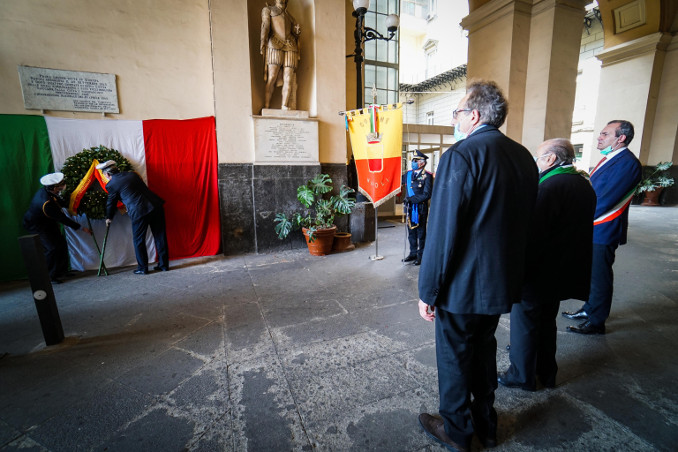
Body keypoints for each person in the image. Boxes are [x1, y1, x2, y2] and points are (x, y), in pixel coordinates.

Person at [417, 80, 538, 452]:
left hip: (462, 285)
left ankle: (456, 430)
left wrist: (428, 290)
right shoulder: (523, 156)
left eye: (457, 112)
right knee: (484, 350)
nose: (455, 119)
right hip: (501, 282)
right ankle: (487, 424)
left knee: (454, 355)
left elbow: (443, 231)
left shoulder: (461, 155)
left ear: (474, 115)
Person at [498, 139, 596, 391]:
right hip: (560, 268)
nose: (536, 161)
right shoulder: (581, 183)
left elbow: (533, 234)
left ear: (551, 159)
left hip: (538, 270)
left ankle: (521, 376)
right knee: (545, 324)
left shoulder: (550, 186)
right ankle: (546, 373)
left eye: (538, 156)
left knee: (525, 324)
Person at [562, 120, 642, 334]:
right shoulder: (611, 159)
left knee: (600, 276)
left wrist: (578, 217)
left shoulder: (627, 163)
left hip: (603, 228)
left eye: (605, 134)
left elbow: (606, 200)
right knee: (591, 273)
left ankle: (597, 321)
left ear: (621, 138)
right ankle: (589, 308)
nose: (599, 137)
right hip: (594, 227)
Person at [97, 160, 169, 274]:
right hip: (156, 205)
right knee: (160, 236)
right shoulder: (132, 175)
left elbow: (111, 203)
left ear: (107, 174)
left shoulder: (111, 185)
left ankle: (142, 268)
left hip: (139, 211)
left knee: (138, 240)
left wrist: (109, 217)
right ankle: (164, 265)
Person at [23, 172, 91, 283]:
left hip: (47, 222)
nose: (62, 186)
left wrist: (74, 206)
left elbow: (60, 202)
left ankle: (62, 271)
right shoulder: (46, 202)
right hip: (37, 225)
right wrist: (81, 228)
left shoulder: (49, 192)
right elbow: (62, 218)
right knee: (52, 248)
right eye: (60, 185)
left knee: (61, 244)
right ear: (54, 187)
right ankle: (50, 276)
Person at [261, 0, 301, 110]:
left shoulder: (290, 16)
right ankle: (267, 106)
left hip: (290, 45)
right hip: (274, 43)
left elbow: (295, 32)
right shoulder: (268, 10)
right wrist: (263, 41)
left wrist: (297, 32)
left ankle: (284, 105)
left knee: (288, 78)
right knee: (272, 77)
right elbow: (265, 26)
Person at [401, 150, 433, 266]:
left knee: (421, 233)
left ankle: (421, 256)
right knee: (411, 232)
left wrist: (412, 199)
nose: (413, 163)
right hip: (409, 208)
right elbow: (396, 181)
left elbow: (427, 194)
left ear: (422, 163)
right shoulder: (408, 174)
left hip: (420, 208)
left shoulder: (427, 176)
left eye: (416, 161)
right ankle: (413, 253)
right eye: (413, 160)